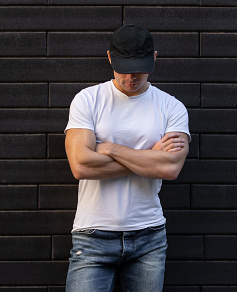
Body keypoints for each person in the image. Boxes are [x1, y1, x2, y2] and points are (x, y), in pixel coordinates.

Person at [64, 24, 191, 292]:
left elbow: (170, 168)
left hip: (149, 237)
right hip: (92, 236)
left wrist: (109, 148)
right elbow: (80, 165)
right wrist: (149, 159)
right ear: (109, 57)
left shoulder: (172, 107)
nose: (131, 76)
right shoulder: (87, 100)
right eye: (124, 66)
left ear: (154, 58)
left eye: (140, 66)